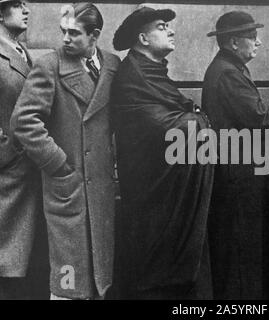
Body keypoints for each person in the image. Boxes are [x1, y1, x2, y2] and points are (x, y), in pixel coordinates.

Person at [10, 2, 120, 300]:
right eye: (63, 32)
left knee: (101, 278)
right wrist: (58, 164)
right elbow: (24, 122)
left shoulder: (112, 65)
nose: (66, 39)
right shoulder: (50, 65)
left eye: (74, 33)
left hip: (101, 189)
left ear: (94, 35)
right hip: (67, 187)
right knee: (69, 280)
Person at [111, 6, 213, 299]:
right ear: (143, 38)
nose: (171, 30)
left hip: (169, 193)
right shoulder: (132, 75)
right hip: (152, 198)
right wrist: (198, 121)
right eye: (161, 26)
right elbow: (160, 128)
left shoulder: (153, 73)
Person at [202, 11, 269, 299]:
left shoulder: (227, 68)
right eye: (252, 37)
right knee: (239, 250)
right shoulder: (228, 73)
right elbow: (259, 117)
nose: (258, 43)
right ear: (234, 42)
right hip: (238, 176)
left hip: (238, 171)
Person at [0, 0, 48, 299]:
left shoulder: (23, 53)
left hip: (28, 176)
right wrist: (9, 155)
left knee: (24, 269)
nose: (26, 10)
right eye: (18, 5)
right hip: (8, 178)